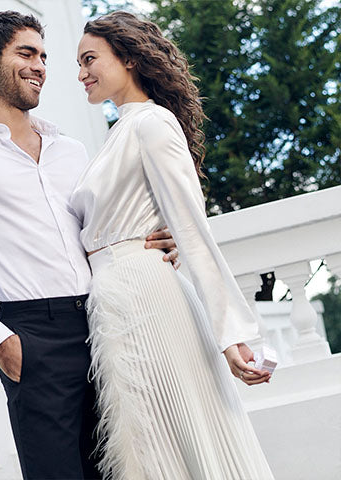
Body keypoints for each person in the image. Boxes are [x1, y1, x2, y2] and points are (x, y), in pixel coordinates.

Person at [0, 11, 178, 480]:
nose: (40, 65)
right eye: (26, 53)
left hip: (104, 323)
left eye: (43, 56)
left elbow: (98, 232)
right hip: (32, 335)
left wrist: (156, 240)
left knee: (127, 469)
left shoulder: (72, 149)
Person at [71, 11, 275, 480]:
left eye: (89, 59)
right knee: (150, 446)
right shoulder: (119, 131)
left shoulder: (152, 124)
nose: (81, 73)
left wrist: (231, 338)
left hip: (149, 299)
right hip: (118, 302)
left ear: (128, 58)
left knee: (177, 437)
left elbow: (191, 230)